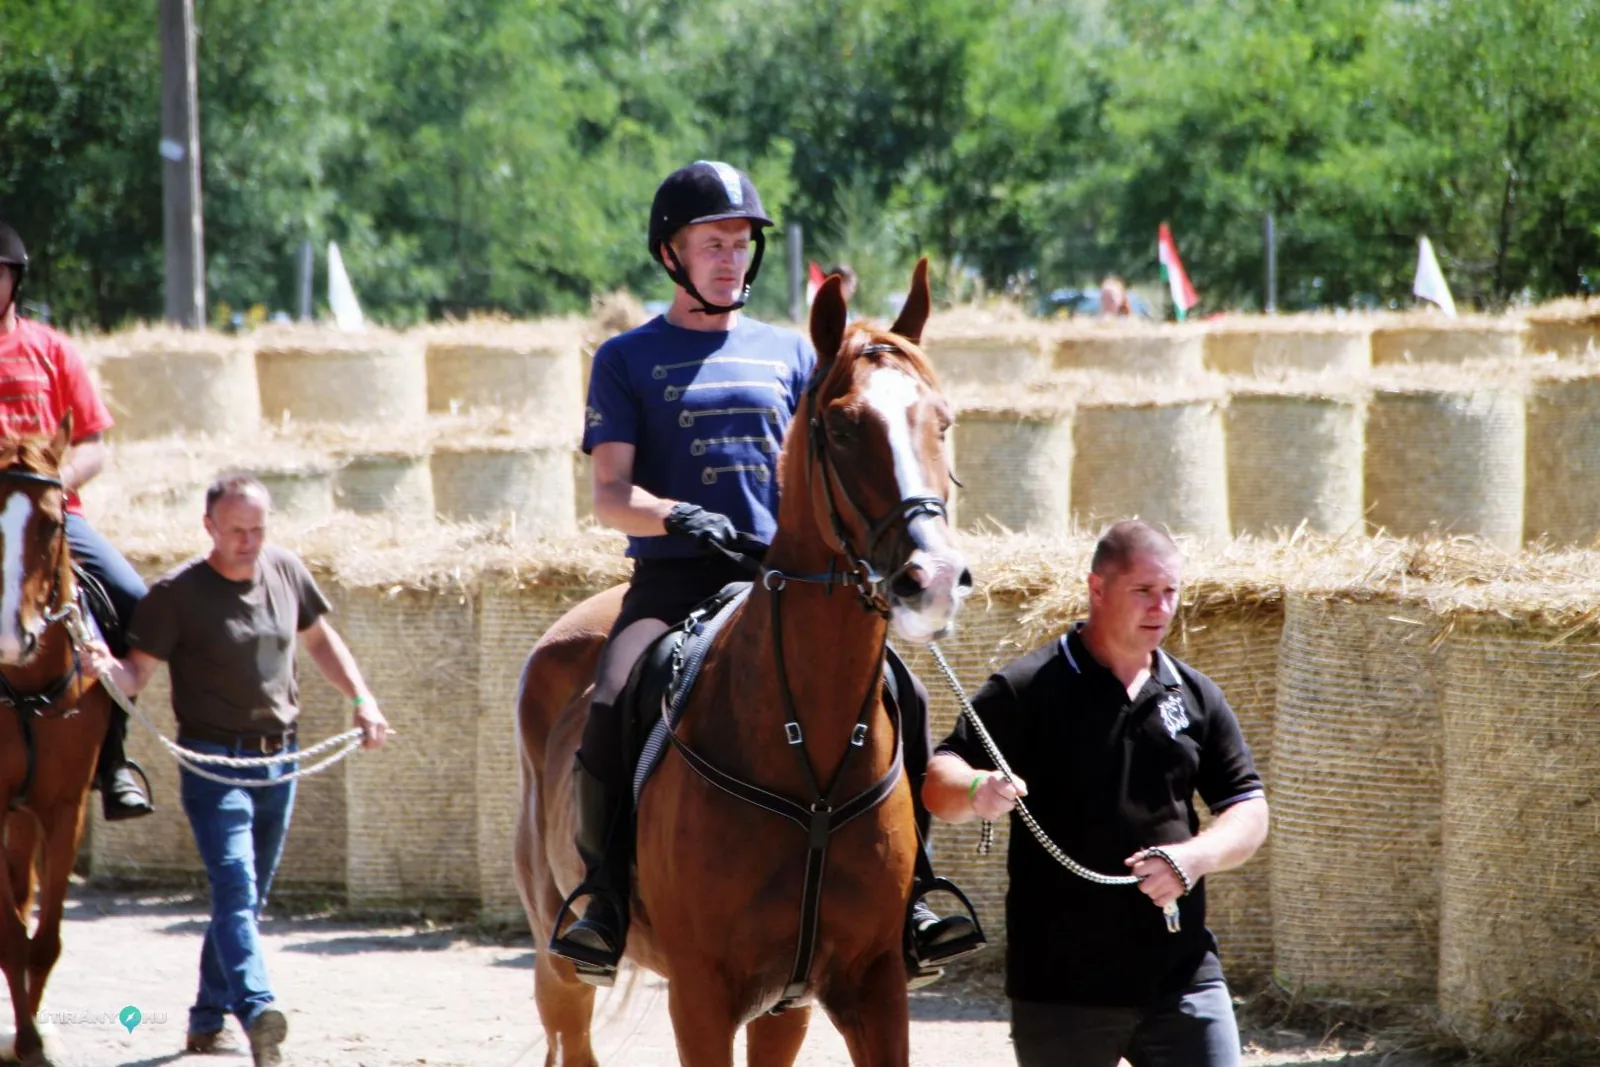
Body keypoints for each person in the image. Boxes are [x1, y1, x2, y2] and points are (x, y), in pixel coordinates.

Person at [548, 160, 979, 984]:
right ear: (670, 253)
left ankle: (914, 892)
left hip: (779, 581)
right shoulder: (628, 358)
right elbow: (610, 495)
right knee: (613, 695)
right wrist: (676, 514)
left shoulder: (792, 356)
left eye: (742, 245)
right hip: (672, 583)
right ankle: (604, 898)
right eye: (712, 244)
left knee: (907, 694)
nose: (730, 260)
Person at [922, 520, 1269, 1067]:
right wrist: (976, 787)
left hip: (1183, 977)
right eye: (1144, 591)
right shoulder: (1027, 687)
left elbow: (1248, 809)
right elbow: (939, 778)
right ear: (1097, 589)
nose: (1161, 607)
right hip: (1061, 990)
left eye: (1171, 592)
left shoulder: (1196, 693)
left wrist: (1194, 856)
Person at [86, 474, 390, 1065]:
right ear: (209, 527)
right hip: (214, 765)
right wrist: (102, 664)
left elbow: (321, 642)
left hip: (280, 759)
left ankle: (205, 1019)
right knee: (235, 887)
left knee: (244, 902)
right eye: (236, 531)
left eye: (258, 530)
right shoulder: (176, 595)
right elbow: (135, 678)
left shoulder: (285, 570)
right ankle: (257, 1009)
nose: (249, 542)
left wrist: (362, 700)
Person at [0, 220, 152, 821]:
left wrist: (50, 492)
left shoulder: (53, 349)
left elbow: (93, 443)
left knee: (132, 596)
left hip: (48, 519)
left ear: (15, 280)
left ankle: (114, 759)